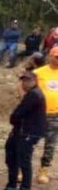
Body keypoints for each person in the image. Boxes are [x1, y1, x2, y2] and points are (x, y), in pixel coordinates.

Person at [1, 71, 46, 190]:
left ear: (35, 81)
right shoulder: (30, 94)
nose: (25, 83)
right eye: (23, 80)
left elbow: (19, 113)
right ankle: (12, 186)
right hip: (21, 130)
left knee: (24, 160)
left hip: (28, 132)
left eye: (28, 80)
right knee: (12, 156)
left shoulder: (34, 95)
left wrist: (14, 119)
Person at [33, 47, 58, 183]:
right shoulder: (38, 73)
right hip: (38, 114)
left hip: (55, 114)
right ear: (50, 56)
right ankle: (22, 168)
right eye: (56, 57)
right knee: (30, 141)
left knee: (50, 144)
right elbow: (26, 88)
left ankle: (43, 171)